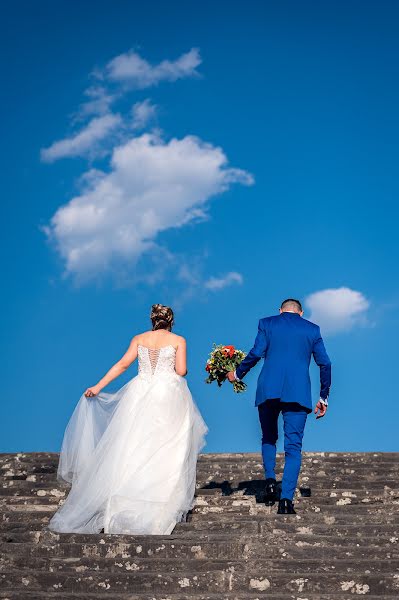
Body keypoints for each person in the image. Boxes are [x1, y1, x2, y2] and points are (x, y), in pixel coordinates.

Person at [48, 304, 207, 534]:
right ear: (171, 321)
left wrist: (97, 386)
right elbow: (181, 371)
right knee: (167, 445)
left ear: (152, 320)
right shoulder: (178, 340)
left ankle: (124, 502)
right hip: (167, 394)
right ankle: (159, 504)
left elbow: (122, 365)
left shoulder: (139, 339)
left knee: (132, 444)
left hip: (139, 392)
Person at [227, 298, 331, 514]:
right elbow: (325, 363)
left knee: (268, 437)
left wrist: (237, 374)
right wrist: (323, 397)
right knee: (293, 448)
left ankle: (270, 480)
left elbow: (256, 352)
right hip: (298, 392)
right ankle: (286, 501)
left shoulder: (267, 323)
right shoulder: (312, 329)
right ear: (301, 313)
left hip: (269, 390)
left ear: (280, 311)